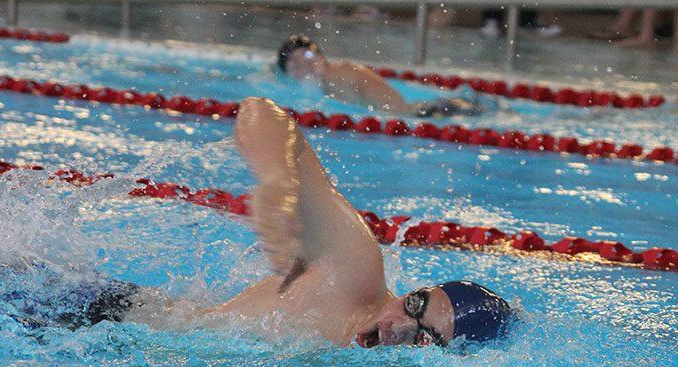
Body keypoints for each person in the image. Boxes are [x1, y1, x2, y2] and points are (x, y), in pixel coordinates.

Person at [193, 96, 513, 348]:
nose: (397, 327)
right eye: (414, 305)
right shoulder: (351, 273)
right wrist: (279, 181)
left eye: (425, 338)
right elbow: (261, 110)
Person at [276, 35, 483, 118]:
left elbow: (395, 106)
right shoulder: (324, 82)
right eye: (295, 63)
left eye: (307, 55)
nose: (305, 64)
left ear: (321, 56)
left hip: (428, 113)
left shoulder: (339, 74)